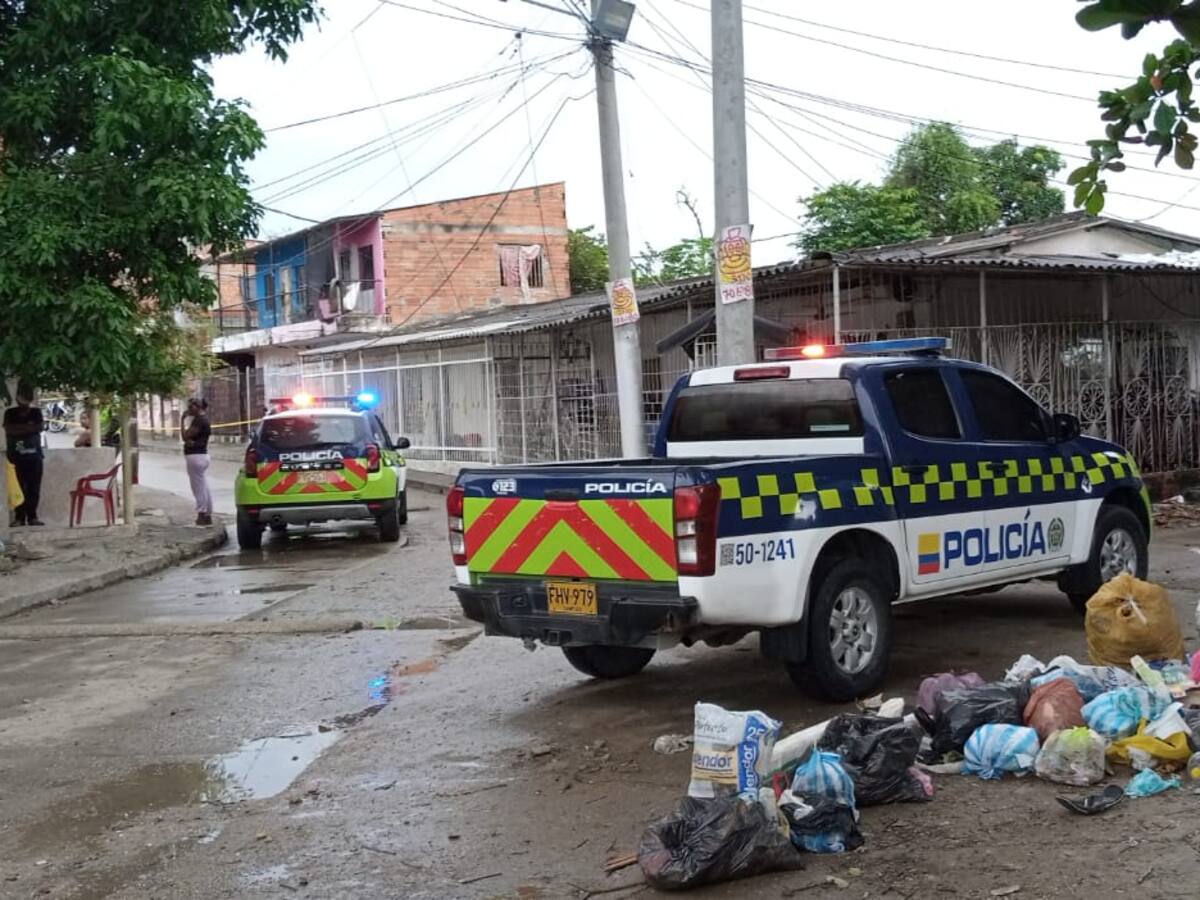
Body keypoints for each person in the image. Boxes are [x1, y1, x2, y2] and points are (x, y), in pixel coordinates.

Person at [3, 382, 45, 527]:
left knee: (34, 487)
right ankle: (19, 517)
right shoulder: (10, 413)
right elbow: (10, 430)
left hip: (35, 457)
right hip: (15, 458)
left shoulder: (36, 412)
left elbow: (39, 427)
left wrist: (21, 429)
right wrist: (29, 428)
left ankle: (32, 517)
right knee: (17, 487)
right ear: (17, 398)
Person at [182, 398, 213, 526]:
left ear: (198, 407)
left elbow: (185, 436)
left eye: (191, 407)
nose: (189, 410)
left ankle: (202, 514)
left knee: (198, 488)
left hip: (196, 456)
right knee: (203, 486)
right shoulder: (203, 419)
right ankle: (207, 514)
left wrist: (182, 421)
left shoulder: (199, 420)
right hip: (201, 455)